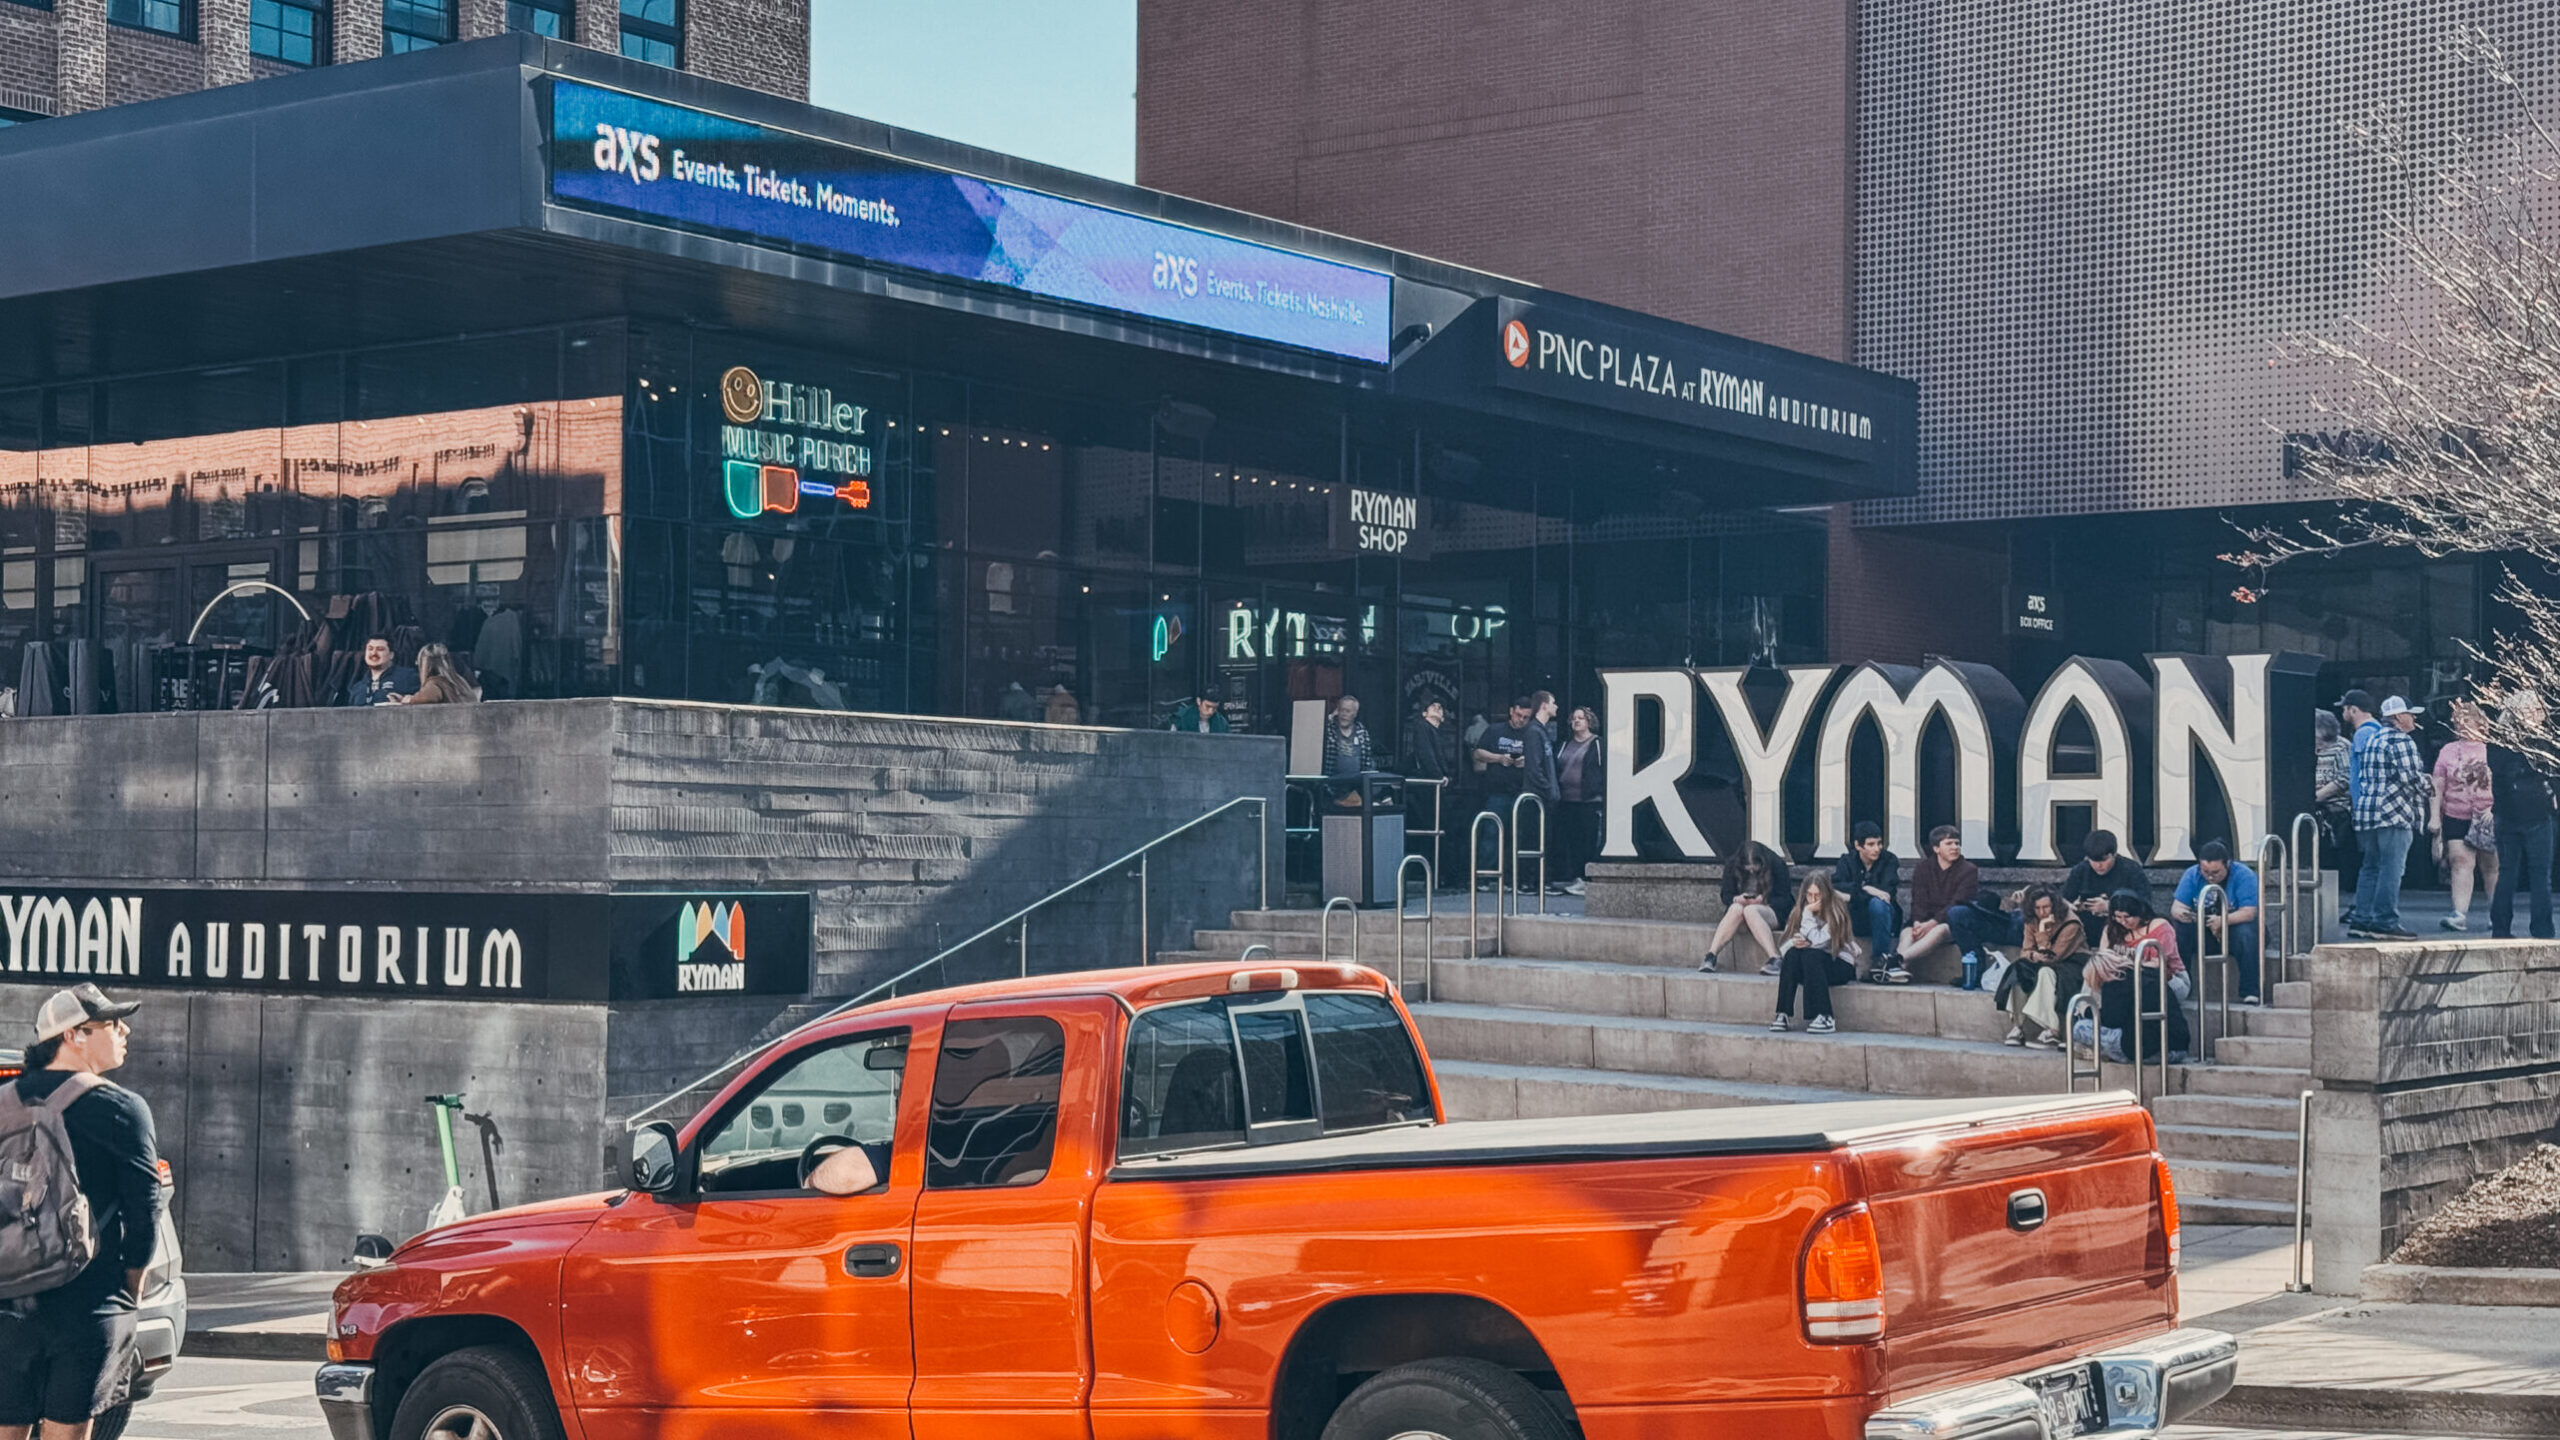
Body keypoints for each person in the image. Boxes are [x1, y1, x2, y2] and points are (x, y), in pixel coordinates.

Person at [0, 984, 162, 1440]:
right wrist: (130, 1286)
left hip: (6, 1301)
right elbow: (144, 1210)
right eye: (112, 1024)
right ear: (75, 1035)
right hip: (87, 1300)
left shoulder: (3, 1101)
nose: (124, 1031)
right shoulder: (122, 1109)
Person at [2346, 694, 2427, 940]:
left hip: (2368, 813)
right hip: (2393, 813)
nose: (2413, 718)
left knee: (2370, 867)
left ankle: (2361, 919)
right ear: (2399, 717)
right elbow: (2411, 778)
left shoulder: (2373, 739)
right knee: (2392, 869)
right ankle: (2384, 921)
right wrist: (2429, 784)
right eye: (2410, 714)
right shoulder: (2402, 741)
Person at [2082, 891, 2190, 1062]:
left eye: (2127, 917)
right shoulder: (2112, 929)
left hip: (2168, 977)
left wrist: (2123, 965)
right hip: (2128, 976)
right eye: (2118, 917)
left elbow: (2158, 963)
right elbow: (2103, 957)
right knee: (2096, 974)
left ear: (2140, 913)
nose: (2123, 922)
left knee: (2083, 1027)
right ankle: (2083, 1012)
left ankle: (2092, 1028)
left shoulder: (2159, 926)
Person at [2488, 690, 2560, 940]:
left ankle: (2500, 927)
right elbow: (2551, 773)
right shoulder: (2538, 741)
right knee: (2540, 875)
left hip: (2506, 813)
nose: (2543, 714)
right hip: (2537, 811)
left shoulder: (2497, 741)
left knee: (2507, 871)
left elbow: (2497, 777)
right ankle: (2542, 928)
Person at [1473, 696, 1558, 886]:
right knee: (1492, 833)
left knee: (1520, 836)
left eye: (1526, 717)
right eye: (1519, 715)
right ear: (1511, 711)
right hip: (1498, 791)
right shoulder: (1495, 730)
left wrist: (1527, 763)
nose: (1521, 720)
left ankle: (1512, 877)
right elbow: (1478, 753)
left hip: (1522, 792)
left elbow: (1538, 760)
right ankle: (1485, 876)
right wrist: (1498, 758)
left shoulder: (1531, 733)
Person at [2431, 700, 2498, 931]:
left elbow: (2503, 782)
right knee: (2460, 861)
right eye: (2458, 722)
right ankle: (2459, 913)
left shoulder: (2492, 748)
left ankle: (2496, 912)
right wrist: (2435, 817)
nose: (2461, 726)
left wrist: (2497, 809)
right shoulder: (2448, 750)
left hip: (2487, 813)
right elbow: (2437, 785)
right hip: (2456, 813)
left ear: (2480, 722)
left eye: (2466, 720)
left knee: (2491, 865)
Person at [2171, 840, 2262, 1004]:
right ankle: (2183, 986)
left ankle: (2250, 990)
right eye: (2206, 872)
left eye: (2216, 872)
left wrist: (2222, 921)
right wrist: (2185, 915)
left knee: (2246, 933)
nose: (2210, 876)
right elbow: (2176, 907)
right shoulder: (2192, 874)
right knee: (2179, 930)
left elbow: (2249, 912)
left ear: (2227, 864)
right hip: (2203, 929)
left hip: (2233, 929)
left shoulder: (2244, 875)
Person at [1770, 870, 1859, 1034]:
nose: (1813, 900)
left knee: (1811, 954)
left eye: (1817, 895)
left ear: (1826, 894)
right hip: (1812, 966)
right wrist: (1796, 941)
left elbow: (1819, 942)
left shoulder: (1836, 912)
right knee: (1793, 954)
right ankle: (1782, 1013)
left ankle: (1825, 1016)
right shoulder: (1799, 911)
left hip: (1839, 964)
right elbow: (1783, 949)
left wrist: (1808, 915)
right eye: (1809, 895)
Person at [1996, 885, 2085, 1048]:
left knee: (2046, 972)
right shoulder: (2031, 920)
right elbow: (2026, 950)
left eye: (2046, 907)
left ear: (2054, 905)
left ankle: (2053, 1029)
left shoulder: (2071, 923)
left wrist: (2043, 930)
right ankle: (2018, 1026)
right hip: (2042, 959)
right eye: (2037, 908)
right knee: (2019, 969)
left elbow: (2054, 956)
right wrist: (2032, 955)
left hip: (2071, 962)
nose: (2042, 912)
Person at [1888, 826, 1978, 986]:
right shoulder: (1923, 868)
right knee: (1908, 932)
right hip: (1924, 919)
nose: (1955, 847)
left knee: (1939, 930)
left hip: (1950, 922)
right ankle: (1898, 972)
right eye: (1949, 843)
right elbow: (1918, 900)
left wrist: (1931, 923)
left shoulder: (1968, 870)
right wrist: (1917, 922)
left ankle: (1897, 960)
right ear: (1936, 848)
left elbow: (1958, 902)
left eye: (1957, 843)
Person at [1702, 839, 1790, 973]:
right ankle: (1711, 955)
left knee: (1751, 911)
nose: (1751, 869)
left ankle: (1775, 957)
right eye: (1747, 866)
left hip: (1770, 911)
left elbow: (1785, 899)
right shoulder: (1732, 865)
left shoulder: (1777, 864)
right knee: (1735, 908)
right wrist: (1737, 898)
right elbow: (1725, 895)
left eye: (1755, 865)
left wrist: (1763, 899)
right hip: (1740, 915)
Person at [1834, 822, 1902, 980]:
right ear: (1858, 845)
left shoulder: (1889, 860)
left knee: (1878, 904)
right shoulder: (1846, 861)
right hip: (1856, 917)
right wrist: (1867, 889)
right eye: (1871, 844)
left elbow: (1887, 893)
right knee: (1835, 900)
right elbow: (1836, 885)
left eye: (1879, 843)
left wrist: (1855, 895)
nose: (1876, 848)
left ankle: (1880, 961)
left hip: (1885, 918)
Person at [1552, 707, 1604, 897]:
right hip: (1566, 799)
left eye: (1581, 718)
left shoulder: (1598, 744)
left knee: (1587, 840)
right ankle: (1575, 876)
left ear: (1589, 721)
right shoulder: (1564, 744)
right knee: (1570, 840)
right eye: (1574, 718)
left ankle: (1585, 878)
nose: (1576, 721)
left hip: (1589, 800)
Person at [2062, 830, 2151, 935]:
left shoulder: (2131, 870)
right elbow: (2064, 899)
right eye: (2094, 860)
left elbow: (2145, 904)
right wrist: (2074, 907)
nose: (2099, 865)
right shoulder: (2081, 870)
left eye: (2104, 860)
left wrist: (2110, 907)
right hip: (2086, 927)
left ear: (2114, 854)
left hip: (2122, 929)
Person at [2313, 708, 2358, 887]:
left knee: (2341, 850)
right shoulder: (2311, 746)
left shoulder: (2341, 746)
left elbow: (2345, 777)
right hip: (2317, 809)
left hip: (2337, 809)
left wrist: (2318, 796)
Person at [1322, 695, 1376, 806]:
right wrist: (1331, 717)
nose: (1344, 714)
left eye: (1348, 711)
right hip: (1332, 785)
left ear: (1355, 714)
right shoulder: (1329, 729)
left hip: (1356, 786)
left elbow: (1366, 762)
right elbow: (1315, 729)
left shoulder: (1362, 732)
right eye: (1341, 710)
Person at [342, 636, 418, 707]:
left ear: (391, 655)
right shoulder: (357, 687)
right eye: (370, 649)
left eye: (380, 649)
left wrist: (408, 701)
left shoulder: (408, 677)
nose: (374, 653)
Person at [400, 643, 481, 706]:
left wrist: (408, 700)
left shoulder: (434, 684)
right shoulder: (459, 680)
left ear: (425, 664)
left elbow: (423, 698)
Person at [1163, 696, 1229, 733]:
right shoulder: (1181, 718)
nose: (1211, 712)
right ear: (1199, 701)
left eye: (1214, 708)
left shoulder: (1221, 723)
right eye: (1207, 706)